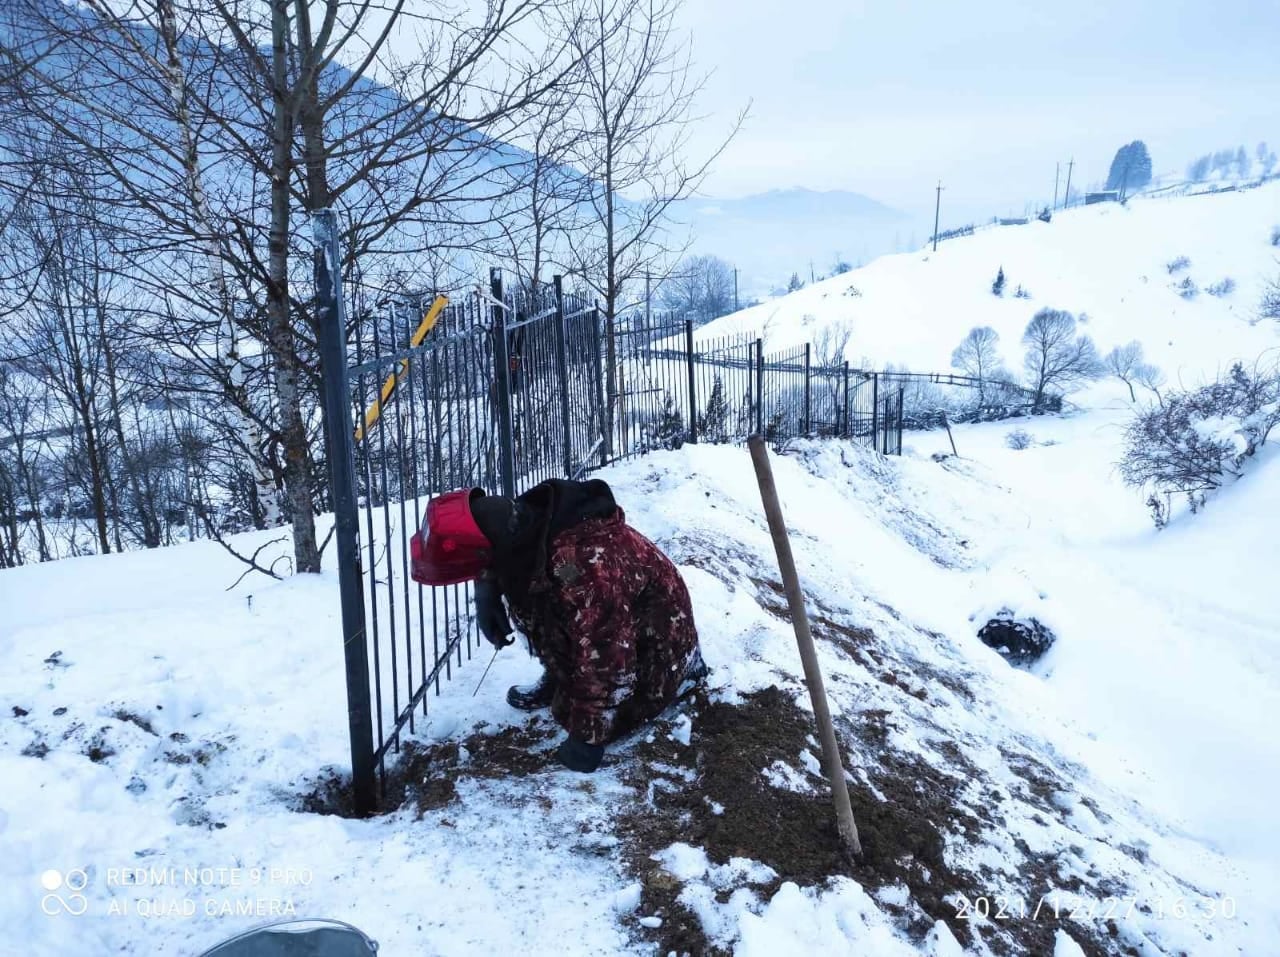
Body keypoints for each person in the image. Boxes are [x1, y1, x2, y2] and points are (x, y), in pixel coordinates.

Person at [412, 478, 707, 773]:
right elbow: (498, 544)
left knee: (580, 701)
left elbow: (607, 651)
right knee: (531, 584)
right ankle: (564, 680)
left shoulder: (584, 565)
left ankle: (678, 680)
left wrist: (588, 739)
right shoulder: (530, 524)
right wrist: (487, 589)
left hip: (658, 659)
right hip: (622, 637)